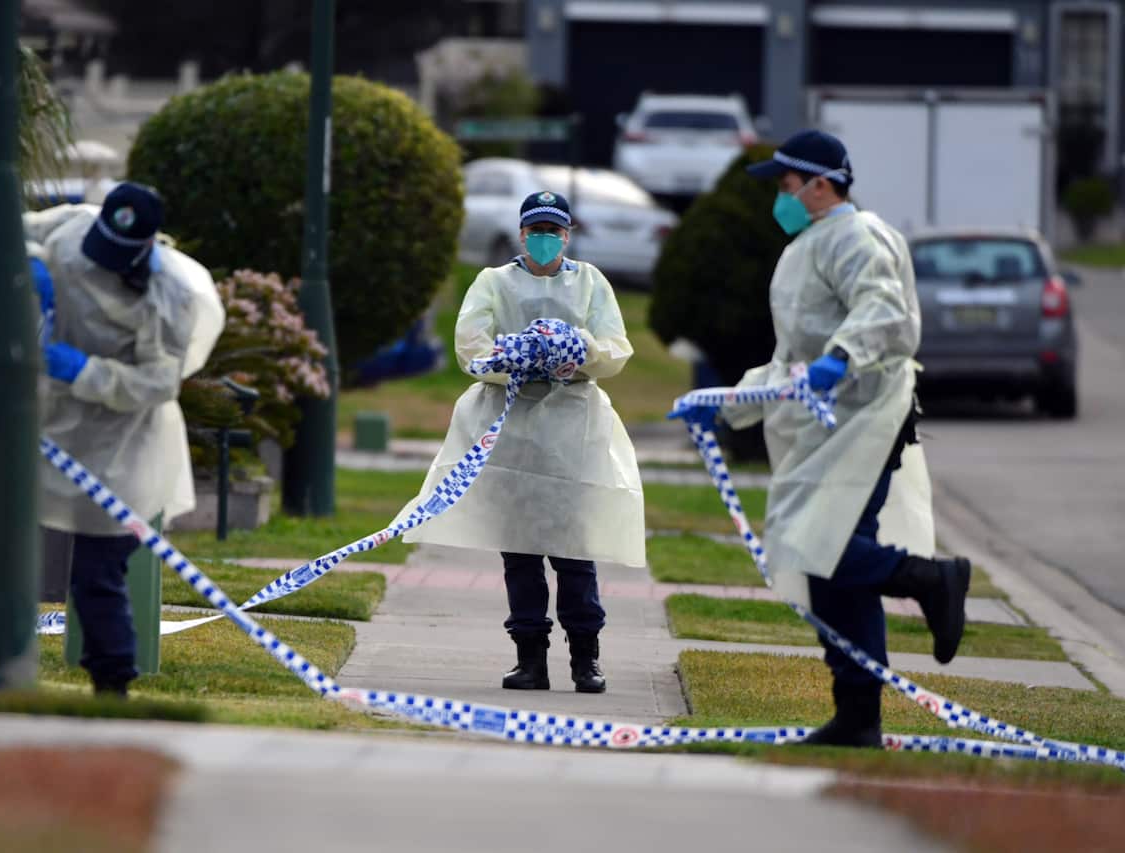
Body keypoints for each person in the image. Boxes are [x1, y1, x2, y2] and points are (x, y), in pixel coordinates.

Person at [671, 130, 971, 746]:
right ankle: (858, 716)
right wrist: (725, 406)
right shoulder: (810, 246)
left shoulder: (855, 237)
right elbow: (791, 362)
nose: (780, 199)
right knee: (826, 564)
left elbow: (886, 313)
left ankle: (931, 580)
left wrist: (840, 358)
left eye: (785, 186)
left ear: (819, 183)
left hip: (866, 419)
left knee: (827, 549)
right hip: (827, 428)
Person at [399, 190, 646, 694]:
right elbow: (472, 346)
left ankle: (586, 659)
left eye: (554, 231)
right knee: (520, 552)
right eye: (536, 230)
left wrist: (581, 354)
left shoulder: (591, 282)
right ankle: (530, 658)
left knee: (576, 551)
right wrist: (515, 359)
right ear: (520, 233)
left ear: (568, 235)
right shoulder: (493, 282)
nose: (544, 240)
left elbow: (616, 347)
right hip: (511, 429)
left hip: (574, 428)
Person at [23, 182, 221, 696]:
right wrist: (31, 263)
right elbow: (9, 232)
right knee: (2, 541)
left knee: (97, 572)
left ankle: (113, 685)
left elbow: (158, 383)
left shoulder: (168, 297)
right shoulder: (70, 229)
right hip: (48, 421)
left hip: (122, 444)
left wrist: (86, 370)